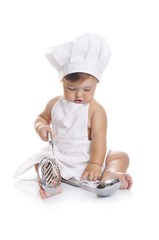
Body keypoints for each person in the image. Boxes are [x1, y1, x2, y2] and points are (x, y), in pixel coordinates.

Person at [16, 33, 133, 199]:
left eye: (87, 90)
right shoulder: (55, 104)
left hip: (91, 156)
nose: (79, 95)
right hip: (60, 157)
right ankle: (52, 184)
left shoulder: (95, 110)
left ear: (96, 85)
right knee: (39, 161)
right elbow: (41, 118)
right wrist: (40, 127)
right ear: (62, 82)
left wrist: (95, 164)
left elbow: (99, 138)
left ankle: (110, 173)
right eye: (71, 89)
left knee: (120, 155)